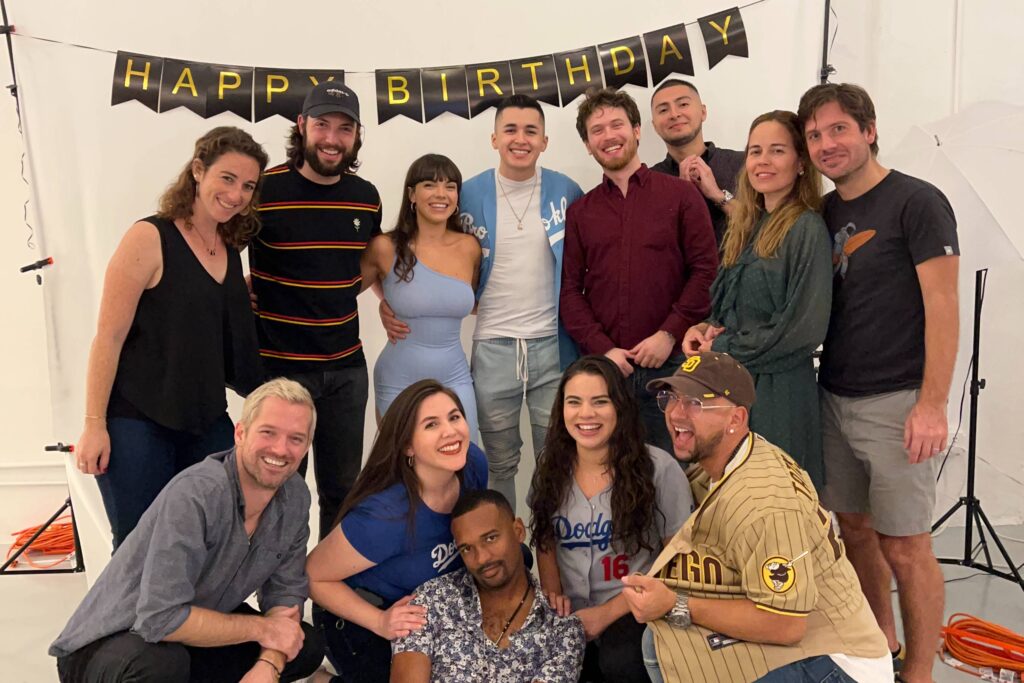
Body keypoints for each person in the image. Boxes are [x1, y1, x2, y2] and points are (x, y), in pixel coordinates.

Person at [799, 83, 959, 683]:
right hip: (834, 394)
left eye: (838, 129)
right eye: (815, 135)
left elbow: (944, 306)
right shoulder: (826, 212)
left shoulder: (917, 203)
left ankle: (919, 672)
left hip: (897, 402)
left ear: (868, 130)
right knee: (855, 530)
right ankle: (880, 647)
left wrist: (932, 404)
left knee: (906, 546)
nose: (826, 144)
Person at [621, 353, 892, 683]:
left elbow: (787, 625)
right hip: (811, 630)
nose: (676, 413)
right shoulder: (728, 461)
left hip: (840, 661)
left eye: (694, 402)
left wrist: (678, 604)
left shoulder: (763, 503)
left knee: (670, 640)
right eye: (672, 398)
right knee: (660, 641)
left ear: (735, 418)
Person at [50, 378, 325, 683]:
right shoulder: (197, 494)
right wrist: (264, 630)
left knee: (306, 645)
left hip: (188, 636)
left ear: (306, 447)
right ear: (241, 433)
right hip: (114, 642)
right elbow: (160, 620)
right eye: (268, 432)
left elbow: (285, 594)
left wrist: (268, 665)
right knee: (162, 665)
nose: (280, 449)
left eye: (296, 439)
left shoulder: (296, 497)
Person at [75, 126, 266, 549]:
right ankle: (128, 620)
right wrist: (94, 425)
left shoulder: (229, 249)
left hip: (205, 420)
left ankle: (199, 618)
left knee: (210, 541)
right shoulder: (149, 237)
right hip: (137, 421)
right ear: (198, 170)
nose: (237, 195)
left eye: (248, 186)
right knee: (139, 550)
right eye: (228, 179)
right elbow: (108, 337)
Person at [248, 80, 382, 540]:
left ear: (357, 135)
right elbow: (218, 255)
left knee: (343, 492)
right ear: (301, 125)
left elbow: (363, 266)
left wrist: (382, 301)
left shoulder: (366, 197)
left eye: (344, 128)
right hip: (282, 373)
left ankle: (330, 608)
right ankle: (280, 607)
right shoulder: (263, 191)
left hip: (347, 369)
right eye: (322, 124)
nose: (331, 138)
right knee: (279, 491)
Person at [561, 87, 719, 454]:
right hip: (606, 374)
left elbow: (706, 272)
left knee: (671, 476)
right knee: (608, 474)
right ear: (587, 144)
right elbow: (569, 291)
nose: (608, 136)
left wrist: (668, 334)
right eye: (596, 130)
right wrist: (604, 351)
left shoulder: (680, 195)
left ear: (636, 130)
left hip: (671, 369)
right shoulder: (581, 212)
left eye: (617, 124)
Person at [682, 110, 832, 487]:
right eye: (755, 151)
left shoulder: (806, 228)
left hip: (779, 392)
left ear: (800, 163)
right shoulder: (748, 227)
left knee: (775, 503)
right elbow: (731, 310)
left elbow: (803, 330)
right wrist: (704, 329)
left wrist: (725, 345)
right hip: (734, 387)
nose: (762, 161)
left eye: (777, 151)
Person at [306, 380, 489, 683]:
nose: (451, 431)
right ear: (408, 445)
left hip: (433, 603)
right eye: (431, 425)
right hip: (363, 618)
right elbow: (312, 576)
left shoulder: (473, 464)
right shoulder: (385, 517)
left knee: (515, 558)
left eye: (455, 417)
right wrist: (379, 621)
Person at [528, 355, 691, 682]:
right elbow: (545, 539)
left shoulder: (658, 468)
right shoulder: (549, 467)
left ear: (619, 406)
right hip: (572, 611)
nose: (585, 414)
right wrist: (552, 592)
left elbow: (680, 562)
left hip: (635, 607)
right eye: (574, 402)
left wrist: (604, 614)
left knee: (620, 663)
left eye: (599, 402)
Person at [390, 489, 585, 682]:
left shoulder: (561, 628)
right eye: (467, 548)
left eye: (490, 538)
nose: (482, 558)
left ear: (518, 531)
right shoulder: (429, 601)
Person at [362, 154, 482, 435]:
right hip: (398, 377)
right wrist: (385, 303)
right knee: (403, 466)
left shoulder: (470, 247)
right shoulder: (384, 247)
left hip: (455, 376)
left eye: (450, 186)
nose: (441, 194)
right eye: (430, 184)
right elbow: (339, 290)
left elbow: (471, 302)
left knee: (465, 459)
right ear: (411, 194)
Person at [649, 79, 745, 245]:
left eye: (683, 104)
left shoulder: (743, 163)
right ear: (654, 125)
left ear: (703, 112)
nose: (674, 114)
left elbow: (766, 226)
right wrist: (681, 198)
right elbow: (652, 247)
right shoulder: (648, 181)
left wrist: (717, 195)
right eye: (663, 110)